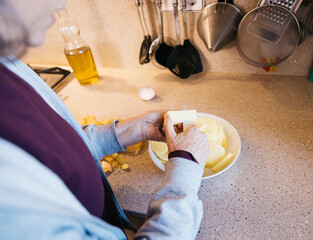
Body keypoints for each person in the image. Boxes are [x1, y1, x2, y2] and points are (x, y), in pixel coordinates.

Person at [0, 0, 210, 239]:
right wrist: (186, 165)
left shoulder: (8, 64)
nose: (60, 2)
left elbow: (50, 148)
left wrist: (128, 131)